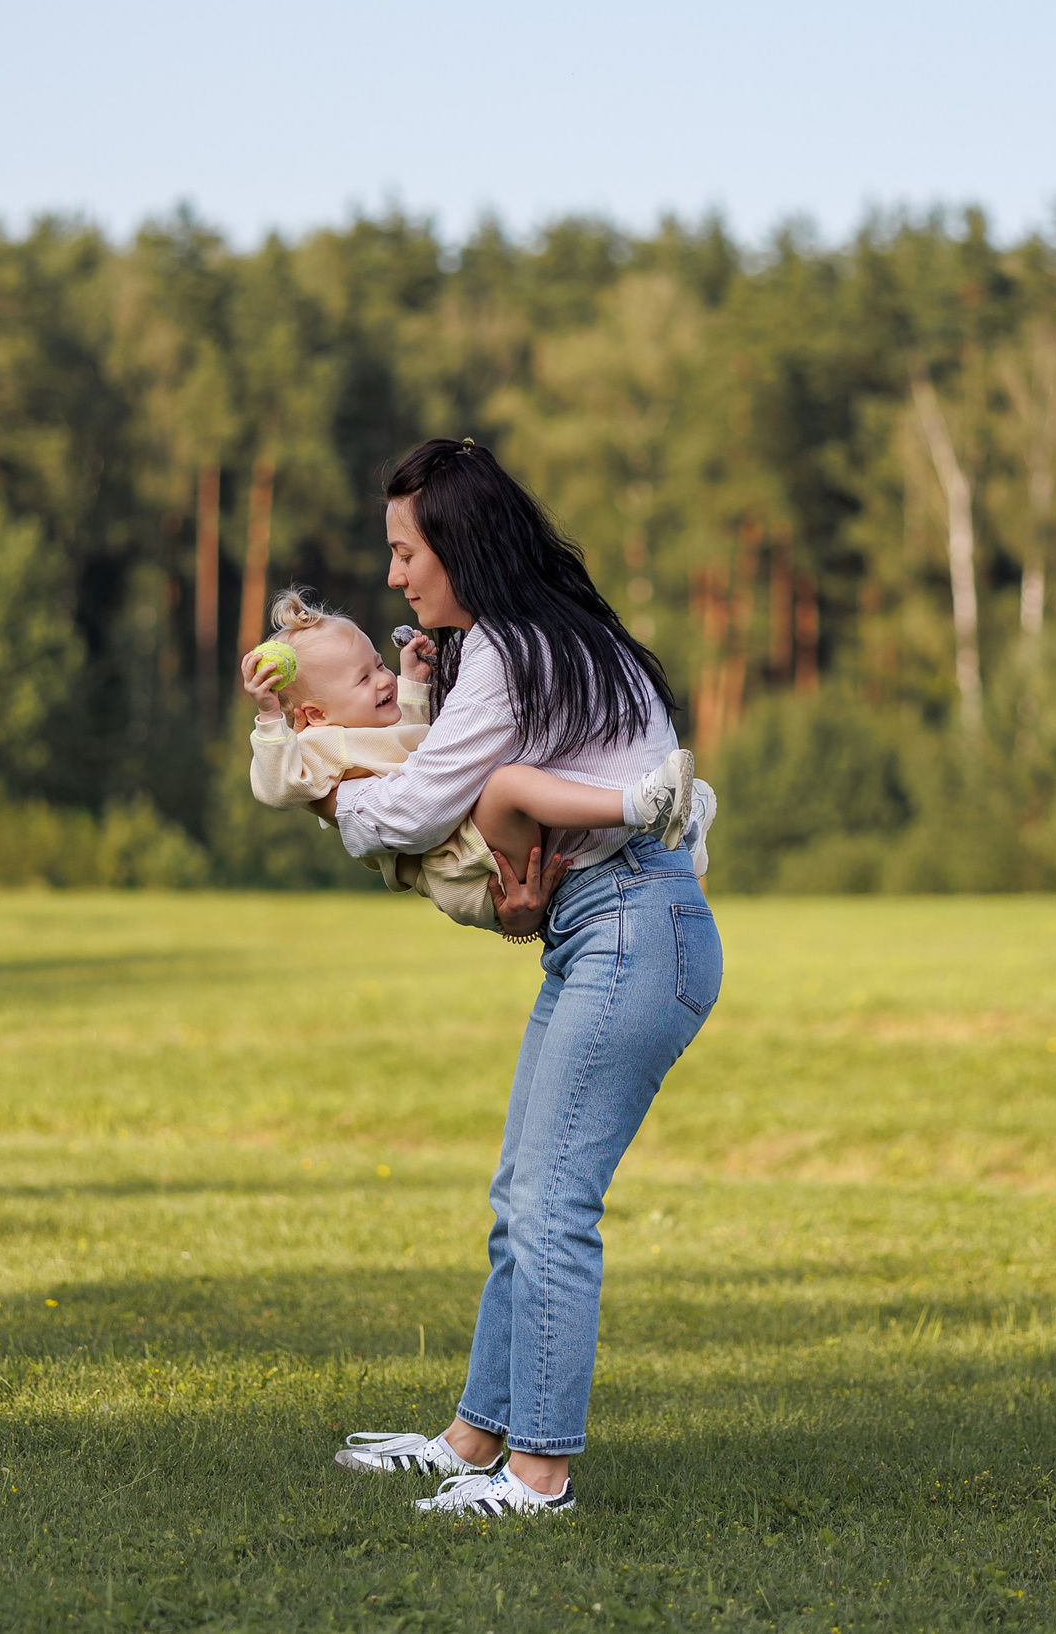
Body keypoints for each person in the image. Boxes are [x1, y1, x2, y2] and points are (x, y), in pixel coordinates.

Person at [290, 436, 722, 1517]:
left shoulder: (505, 650)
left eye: (404, 551)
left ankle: (537, 1475)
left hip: (633, 928)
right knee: (517, 1198)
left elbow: (417, 804)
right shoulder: (544, 639)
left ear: (457, 546)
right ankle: (471, 1438)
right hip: (612, 922)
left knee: (550, 1203)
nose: (394, 574)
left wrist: (326, 796)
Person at [241, 587, 702, 933]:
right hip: (459, 868)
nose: (382, 680)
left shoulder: (364, 729)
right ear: (315, 714)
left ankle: (675, 822)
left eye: (378, 665)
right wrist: (268, 718)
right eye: (364, 679)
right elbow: (278, 787)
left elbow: (419, 745)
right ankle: (641, 809)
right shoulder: (318, 745)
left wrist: (412, 683)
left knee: (527, 772)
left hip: (474, 839)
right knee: (509, 783)